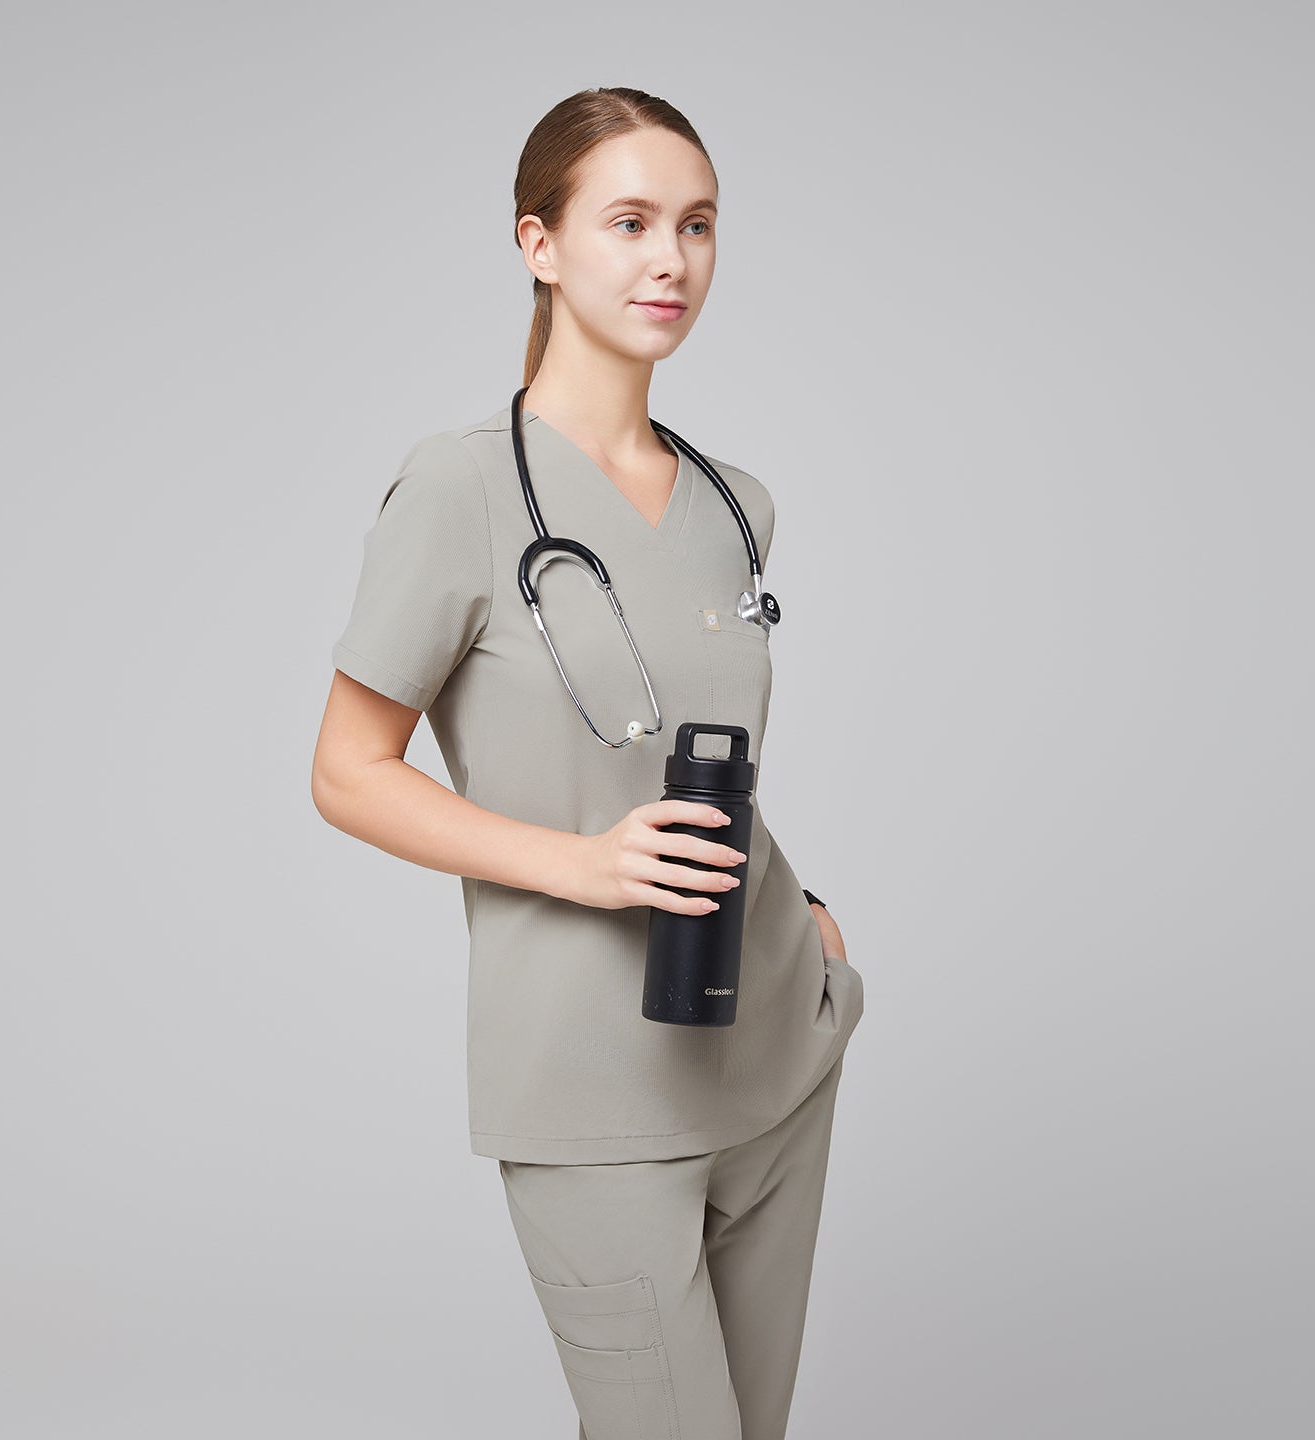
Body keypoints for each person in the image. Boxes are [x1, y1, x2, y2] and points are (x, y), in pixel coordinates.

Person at [311, 86, 865, 1440]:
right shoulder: (461, 493)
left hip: (772, 1052)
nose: (670, 258)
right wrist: (583, 866)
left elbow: (699, 746)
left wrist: (812, 927)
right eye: (628, 222)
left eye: (697, 224)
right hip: (587, 1088)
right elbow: (347, 771)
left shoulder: (739, 503)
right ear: (539, 244)